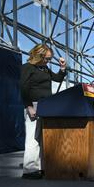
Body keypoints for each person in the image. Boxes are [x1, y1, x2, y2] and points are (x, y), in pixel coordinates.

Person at [19, 44, 67, 179]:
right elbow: (23, 88)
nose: (48, 61)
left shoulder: (44, 68)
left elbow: (57, 78)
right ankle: (29, 170)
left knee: (42, 138)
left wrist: (62, 68)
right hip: (33, 105)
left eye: (50, 59)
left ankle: (40, 167)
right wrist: (29, 106)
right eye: (46, 58)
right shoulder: (27, 67)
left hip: (46, 106)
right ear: (38, 56)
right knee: (32, 138)